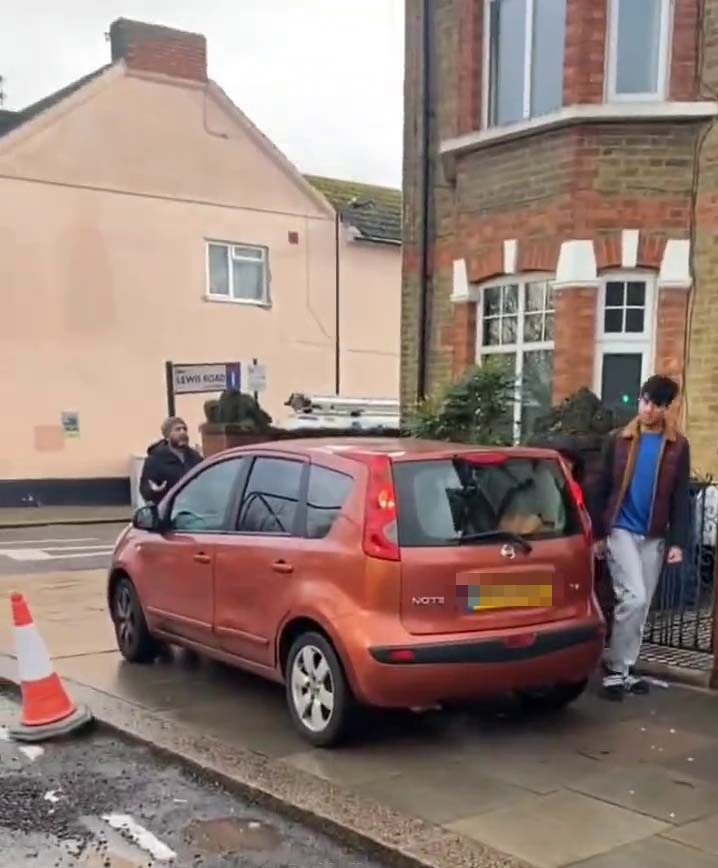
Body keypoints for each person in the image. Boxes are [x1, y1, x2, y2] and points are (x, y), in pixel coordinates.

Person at [589, 376, 690, 701]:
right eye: (644, 401)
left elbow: (680, 496)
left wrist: (678, 542)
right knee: (631, 597)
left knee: (642, 603)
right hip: (620, 528)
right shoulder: (618, 439)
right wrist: (599, 534)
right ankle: (614, 669)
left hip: (654, 535)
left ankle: (625, 668)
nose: (647, 409)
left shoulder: (677, 445)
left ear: (666, 407)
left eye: (655, 404)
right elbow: (600, 486)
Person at [139, 417, 202, 505]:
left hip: (193, 508)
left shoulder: (195, 457)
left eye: (184, 429)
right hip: (168, 510)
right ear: (167, 436)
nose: (182, 432)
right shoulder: (155, 460)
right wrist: (153, 490)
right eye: (177, 429)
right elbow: (145, 489)